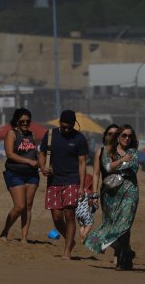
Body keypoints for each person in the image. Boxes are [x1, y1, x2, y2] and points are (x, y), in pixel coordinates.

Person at [85, 124, 140, 269]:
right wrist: (122, 160)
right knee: (112, 224)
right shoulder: (105, 152)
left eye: (129, 136)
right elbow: (107, 168)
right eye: (124, 135)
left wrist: (117, 164)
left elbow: (133, 166)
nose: (127, 138)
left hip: (130, 191)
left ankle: (122, 259)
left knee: (125, 223)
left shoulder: (133, 152)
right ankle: (126, 252)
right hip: (110, 193)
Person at [38, 109, 88, 260]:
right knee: (57, 218)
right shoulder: (51, 135)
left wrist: (81, 187)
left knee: (69, 214)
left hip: (72, 180)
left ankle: (67, 252)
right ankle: (69, 240)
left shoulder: (79, 138)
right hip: (54, 181)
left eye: (69, 126)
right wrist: (42, 166)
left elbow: (82, 163)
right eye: (64, 126)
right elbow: (41, 153)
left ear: (74, 124)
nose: (66, 129)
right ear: (59, 123)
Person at [0, 108, 41, 243]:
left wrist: (42, 164)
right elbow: (10, 154)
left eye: (28, 121)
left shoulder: (32, 135)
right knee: (19, 206)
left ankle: (24, 238)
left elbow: (36, 154)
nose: (25, 123)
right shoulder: (12, 133)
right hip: (15, 173)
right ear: (16, 121)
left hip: (32, 175)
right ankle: (4, 232)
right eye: (22, 121)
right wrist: (29, 161)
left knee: (28, 207)